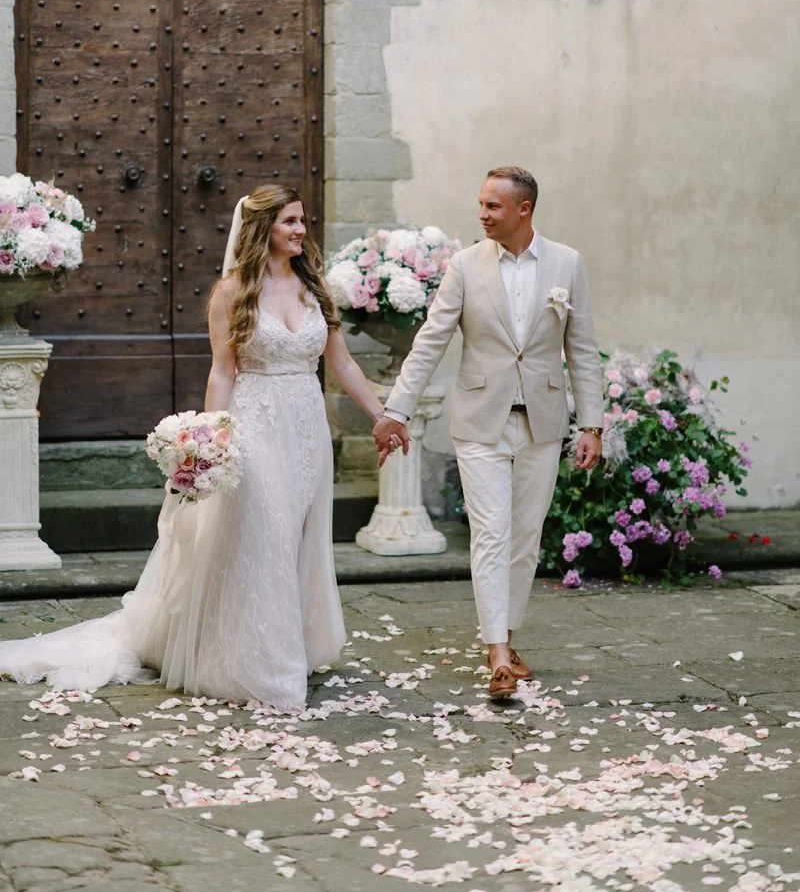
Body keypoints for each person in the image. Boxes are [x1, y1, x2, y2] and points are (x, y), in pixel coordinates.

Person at [0, 185, 395, 710]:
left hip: (306, 432)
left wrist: (383, 416)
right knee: (266, 537)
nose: (301, 230)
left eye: (302, 221)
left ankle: (290, 647)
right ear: (262, 230)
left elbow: (341, 362)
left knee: (299, 539)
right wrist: (207, 442)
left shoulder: (312, 284)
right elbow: (223, 370)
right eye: (290, 222)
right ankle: (262, 669)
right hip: (254, 428)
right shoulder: (232, 292)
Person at [373, 166, 604, 699]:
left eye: (493, 206)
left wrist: (591, 424)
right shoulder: (464, 266)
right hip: (480, 421)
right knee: (492, 533)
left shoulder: (567, 264)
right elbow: (430, 343)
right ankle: (497, 652)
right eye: (481, 204)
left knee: (524, 540)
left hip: (543, 422)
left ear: (524, 209)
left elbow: (583, 351)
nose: (482, 214)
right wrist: (397, 411)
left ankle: (508, 634)